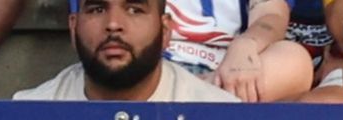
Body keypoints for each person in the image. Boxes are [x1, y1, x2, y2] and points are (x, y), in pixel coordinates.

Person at [15, 0, 239, 101]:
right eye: (97, 9)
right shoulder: (28, 116)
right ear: (73, 28)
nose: (113, 24)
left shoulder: (218, 116)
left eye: (134, 9)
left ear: (165, 31)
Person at [162, 0, 315, 100]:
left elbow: (272, 14)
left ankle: (192, 97)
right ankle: (201, 98)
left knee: (295, 62)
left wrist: (246, 45)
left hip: (229, 71)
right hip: (162, 65)